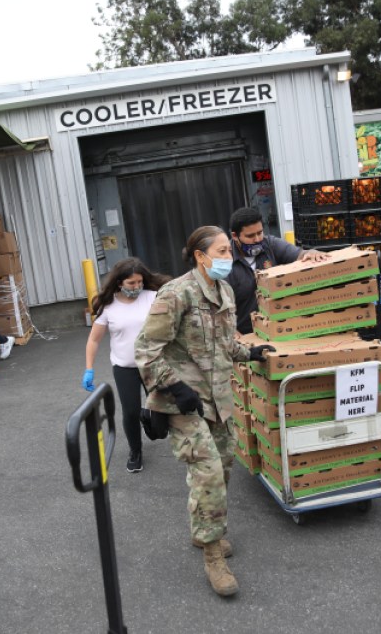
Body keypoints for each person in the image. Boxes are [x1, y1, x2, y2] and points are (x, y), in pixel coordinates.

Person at [134, 226, 274, 598]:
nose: (230, 256)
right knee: (208, 473)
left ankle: (203, 532)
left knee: (223, 469)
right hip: (183, 403)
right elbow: (146, 350)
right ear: (200, 255)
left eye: (230, 250)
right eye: (223, 250)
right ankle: (213, 554)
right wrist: (174, 385)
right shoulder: (176, 294)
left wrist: (252, 353)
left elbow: (225, 344)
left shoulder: (224, 290)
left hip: (220, 401)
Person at [81, 257, 169, 473]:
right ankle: (135, 451)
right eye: (131, 283)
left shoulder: (153, 297)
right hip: (124, 367)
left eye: (139, 282)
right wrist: (89, 368)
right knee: (129, 412)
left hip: (152, 363)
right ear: (120, 282)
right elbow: (94, 340)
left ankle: (147, 416)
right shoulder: (109, 306)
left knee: (160, 421)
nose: (136, 287)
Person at [225, 207, 329, 335]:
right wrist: (232, 333)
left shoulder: (270, 245)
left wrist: (310, 253)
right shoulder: (225, 261)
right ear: (235, 236)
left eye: (260, 233)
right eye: (250, 236)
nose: (257, 239)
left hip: (280, 327)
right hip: (247, 334)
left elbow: (298, 254)